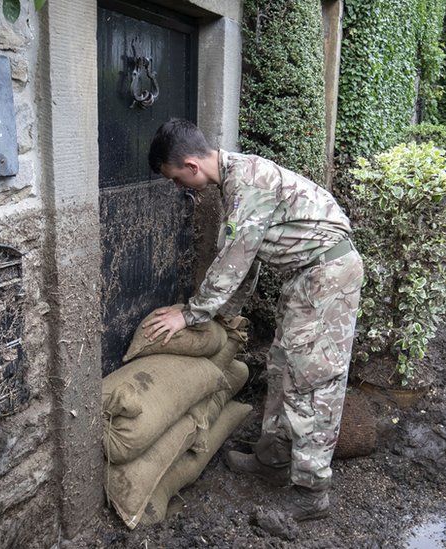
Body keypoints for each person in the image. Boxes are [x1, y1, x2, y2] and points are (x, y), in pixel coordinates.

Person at [142, 119, 363, 521]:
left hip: (326, 278)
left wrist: (192, 313)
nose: (178, 188)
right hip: (306, 279)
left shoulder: (247, 184)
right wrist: (225, 315)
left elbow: (231, 263)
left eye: (176, 179)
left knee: (311, 382)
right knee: (282, 368)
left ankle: (311, 493)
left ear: (191, 166)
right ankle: (273, 459)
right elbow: (249, 262)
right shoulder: (235, 181)